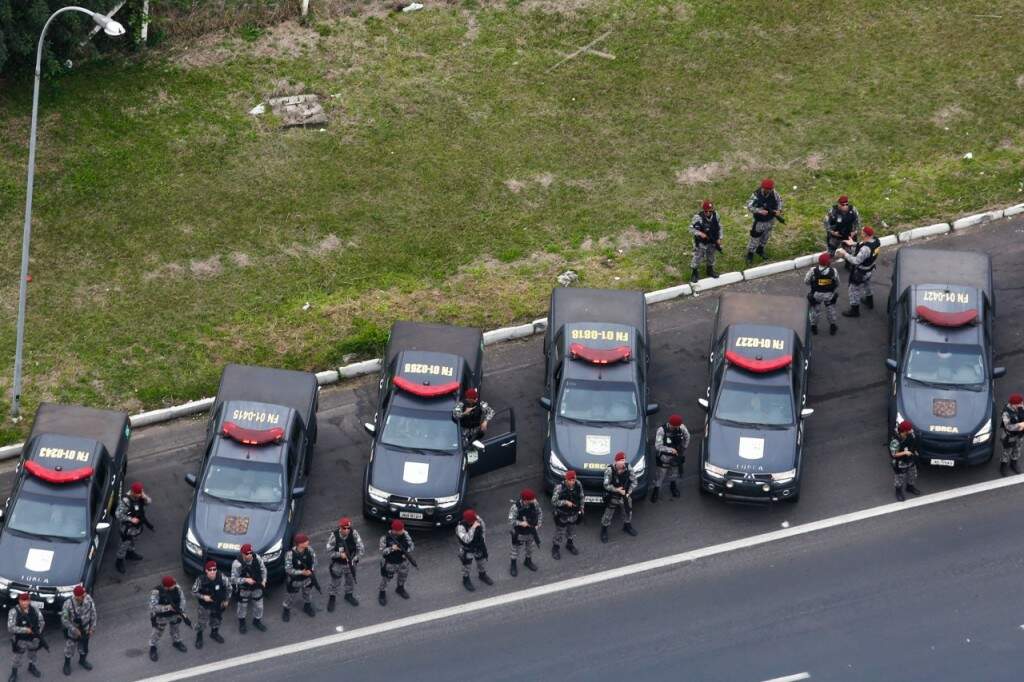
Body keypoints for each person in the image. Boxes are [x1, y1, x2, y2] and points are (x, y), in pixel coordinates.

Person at [836, 225, 881, 317]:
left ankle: (854, 310)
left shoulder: (865, 249)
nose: (861, 232)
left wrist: (844, 254)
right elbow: (863, 244)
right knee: (867, 284)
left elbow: (856, 261)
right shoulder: (876, 241)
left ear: (865, 235)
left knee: (853, 290)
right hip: (870, 269)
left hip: (861, 272)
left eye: (862, 232)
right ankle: (869, 302)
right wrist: (853, 243)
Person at [326, 518, 364, 610]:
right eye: (344, 528)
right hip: (338, 563)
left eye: (348, 528)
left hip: (350, 562)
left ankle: (348, 595)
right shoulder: (334, 536)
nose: (347, 530)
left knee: (350, 580)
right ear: (340, 527)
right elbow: (328, 552)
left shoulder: (354, 533)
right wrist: (339, 555)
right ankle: (332, 598)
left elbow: (361, 548)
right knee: (335, 582)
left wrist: (355, 558)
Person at [114, 482, 151, 574]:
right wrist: (130, 519)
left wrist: (144, 497)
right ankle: (119, 561)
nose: (140, 495)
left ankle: (130, 553)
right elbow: (118, 514)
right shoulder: (126, 501)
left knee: (132, 541)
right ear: (133, 492)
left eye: (141, 493)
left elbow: (148, 502)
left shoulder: (140, 496)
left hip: (136, 527)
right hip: (127, 528)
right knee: (124, 543)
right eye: (138, 494)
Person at [651, 414, 690, 502]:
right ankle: (656, 490)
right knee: (660, 474)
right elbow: (658, 446)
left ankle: (673, 487)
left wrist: (683, 448)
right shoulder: (661, 430)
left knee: (674, 473)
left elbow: (687, 437)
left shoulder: (681, 428)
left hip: (676, 457)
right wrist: (670, 450)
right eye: (673, 426)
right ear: (670, 423)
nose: (675, 428)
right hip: (664, 457)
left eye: (677, 426)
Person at [191, 560, 230, 649]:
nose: (212, 571)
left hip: (218, 604)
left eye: (214, 569)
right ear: (206, 570)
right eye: (210, 570)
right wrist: (203, 597)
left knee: (216, 620)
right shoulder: (200, 579)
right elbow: (193, 592)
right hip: (204, 606)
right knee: (202, 622)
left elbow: (229, 588)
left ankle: (214, 633)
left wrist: (227, 600)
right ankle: (199, 636)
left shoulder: (221, 577)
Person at [148, 576, 188, 662]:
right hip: (161, 617)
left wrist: (181, 611)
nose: (175, 585)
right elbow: (153, 607)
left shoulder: (177, 588)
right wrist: (168, 607)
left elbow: (183, 600)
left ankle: (176, 642)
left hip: (174, 614)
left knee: (175, 629)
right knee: (157, 632)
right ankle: (153, 647)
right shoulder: (156, 592)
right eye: (173, 585)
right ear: (166, 587)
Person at [601, 452, 638, 542]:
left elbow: (634, 482)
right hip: (614, 496)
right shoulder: (609, 470)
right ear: (616, 461)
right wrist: (617, 490)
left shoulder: (628, 467)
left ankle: (627, 526)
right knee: (608, 515)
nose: (622, 462)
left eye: (624, 460)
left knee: (627, 512)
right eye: (620, 460)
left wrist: (628, 493)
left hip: (625, 495)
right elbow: (606, 485)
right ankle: (604, 530)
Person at [230, 544, 267, 633]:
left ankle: (257, 621)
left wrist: (264, 581)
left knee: (259, 606)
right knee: (242, 607)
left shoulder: (257, 558)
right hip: (244, 588)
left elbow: (263, 570)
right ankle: (242, 622)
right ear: (242, 554)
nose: (249, 555)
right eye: (247, 553)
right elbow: (233, 579)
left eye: (251, 552)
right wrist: (245, 580)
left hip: (257, 586)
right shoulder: (237, 564)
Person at [745, 178, 784, 264]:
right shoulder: (756, 195)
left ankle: (760, 250)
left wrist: (779, 210)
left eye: (770, 189)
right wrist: (759, 211)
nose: (769, 190)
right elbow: (749, 206)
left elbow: (780, 201)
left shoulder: (774, 193)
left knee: (766, 236)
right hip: (759, 221)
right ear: (763, 188)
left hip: (770, 219)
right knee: (755, 237)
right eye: (767, 189)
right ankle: (750, 254)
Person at [60, 585, 96, 675]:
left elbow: (93, 614)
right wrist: (74, 630)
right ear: (76, 596)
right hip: (73, 632)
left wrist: (92, 628)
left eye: (84, 595)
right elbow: (64, 620)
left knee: (84, 648)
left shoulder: (88, 599)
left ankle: (82, 661)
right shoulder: (68, 604)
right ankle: (67, 664)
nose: (84, 597)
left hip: (86, 630)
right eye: (81, 596)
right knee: (69, 649)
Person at [378, 520, 415, 606]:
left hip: (402, 561)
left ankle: (400, 588)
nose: (402, 531)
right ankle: (382, 593)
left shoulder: (405, 534)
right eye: (400, 530)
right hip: (390, 562)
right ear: (394, 530)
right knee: (386, 579)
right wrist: (391, 548)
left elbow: (412, 546)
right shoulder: (385, 537)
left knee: (403, 576)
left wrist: (404, 551)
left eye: (402, 529)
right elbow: (382, 551)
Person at [7, 593, 43, 681]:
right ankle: (14, 673)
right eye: (22, 601)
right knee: (17, 657)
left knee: (33, 655)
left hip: (33, 638)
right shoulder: (14, 611)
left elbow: (41, 622)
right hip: (20, 639)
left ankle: (31, 667)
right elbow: (10, 628)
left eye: (26, 601)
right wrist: (25, 630)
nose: (24, 603)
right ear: (19, 601)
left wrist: (38, 633)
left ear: (29, 601)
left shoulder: (35, 609)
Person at [455, 509, 492, 591]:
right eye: (471, 522)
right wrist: (473, 528)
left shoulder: (477, 519)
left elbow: (483, 530)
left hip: (478, 546)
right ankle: (465, 580)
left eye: (474, 520)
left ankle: (482, 575)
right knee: (466, 566)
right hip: (467, 549)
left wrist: (482, 544)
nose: (474, 522)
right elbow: (466, 539)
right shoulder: (460, 527)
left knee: (481, 562)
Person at [804, 252, 840, 336]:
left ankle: (814, 327)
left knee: (815, 311)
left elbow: (806, 281)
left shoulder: (813, 270)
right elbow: (837, 283)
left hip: (816, 295)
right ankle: (832, 327)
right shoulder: (833, 271)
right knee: (831, 311)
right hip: (829, 295)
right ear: (828, 262)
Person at [550, 470, 584, 560]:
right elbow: (554, 501)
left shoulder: (578, 484)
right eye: (570, 480)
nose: (572, 482)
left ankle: (569, 544)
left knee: (571, 530)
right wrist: (565, 502)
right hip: (563, 514)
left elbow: (581, 496)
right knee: (559, 532)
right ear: (566, 480)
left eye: (573, 480)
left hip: (574, 513)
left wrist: (582, 508)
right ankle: (555, 547)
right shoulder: (559, 487)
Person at [282, 534, 316, 621]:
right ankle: (286, 609)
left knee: (307, 593)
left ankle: (307, 606)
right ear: (299, 544)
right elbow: (288, 569)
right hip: (295, 580)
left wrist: (311, 570)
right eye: (305, 541)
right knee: (290, 596)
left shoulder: (310, 550)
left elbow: (315, 561)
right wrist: (301, 572)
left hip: (307, 578)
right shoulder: (290, 554)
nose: (308, 542)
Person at [508, 489, 542, 577]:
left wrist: (539, 524)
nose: (533, 500)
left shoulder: (534, 503)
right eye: (531, 499)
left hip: (531, 530)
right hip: (520, 532)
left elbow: (539, 513)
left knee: (530, 548)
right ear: (525, 500)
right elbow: (511, 520)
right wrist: (520, 523)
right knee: (515, 550)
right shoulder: (515, 507)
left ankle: (528, 561)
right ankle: (513, 565)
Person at [690, 200, 723, 282]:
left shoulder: (716, 215)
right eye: (706, 211)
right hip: (701, 241)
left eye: (710, 211)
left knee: (711, 255)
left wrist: (719, 238)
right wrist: (700, 233)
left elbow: (720, 227)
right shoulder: (698, 217)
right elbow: (691, 229)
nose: (708, 213)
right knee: (698, 256)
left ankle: (710, 270)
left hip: (712, 240)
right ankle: (694, 272)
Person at [889, 421, 922, 501]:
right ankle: (898, 492)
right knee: (900, 478)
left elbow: (913, 444)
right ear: (904, 431)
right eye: (909, 429)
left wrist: (915, 451)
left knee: (912, 474)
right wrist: (905, 452)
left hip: (910, 460)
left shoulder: (910, 435)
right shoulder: (895, 441)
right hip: (900, 463)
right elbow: (894, 454)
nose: (911, 430)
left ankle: (910, 487)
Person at [999, 393, 1024, 476]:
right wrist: (1020, 426)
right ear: (1013, 404)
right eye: (1019, 404)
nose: (1021, 405)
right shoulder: (1006, 412)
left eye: (1021, 403)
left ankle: (1013, 463)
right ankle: (1003, 465)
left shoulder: (1021, 407)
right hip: (1009, 436)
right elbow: (1008, 426)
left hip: (1019, 435)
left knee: (1017, 449)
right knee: (1006, 451)